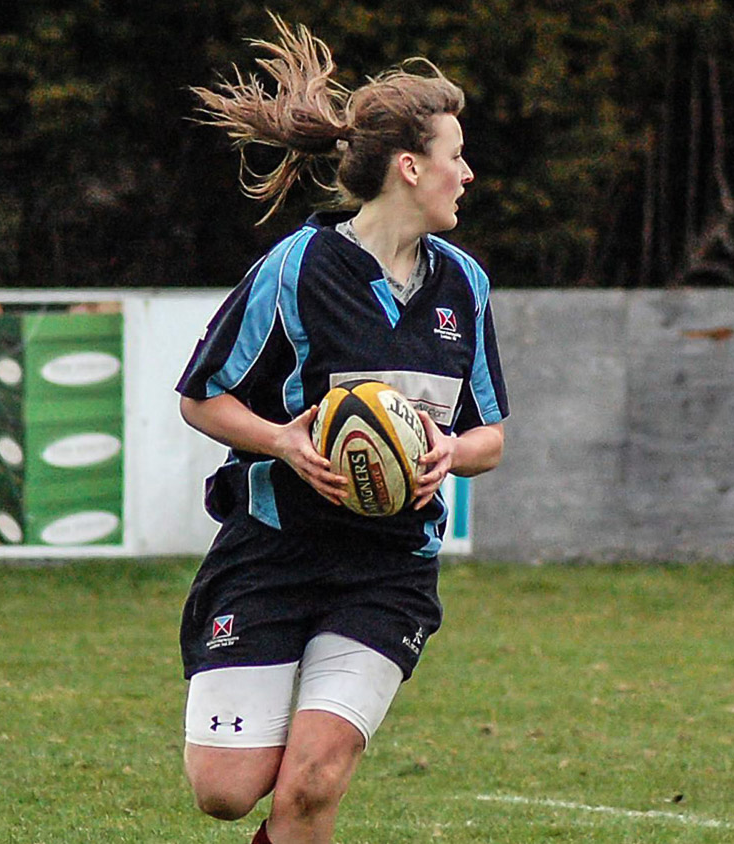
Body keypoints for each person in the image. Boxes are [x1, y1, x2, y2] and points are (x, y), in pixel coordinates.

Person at [177, 16, 508, 844]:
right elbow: (201, 399)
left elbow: (491, 438)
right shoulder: (294, 269)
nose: (467, 173)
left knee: (313, 785)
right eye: (455, 155)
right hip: (272, 553)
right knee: (226, 791)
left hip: (387, 569)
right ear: (410, 166)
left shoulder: (463, 285)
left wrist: (448, 453)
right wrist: (287, 441)